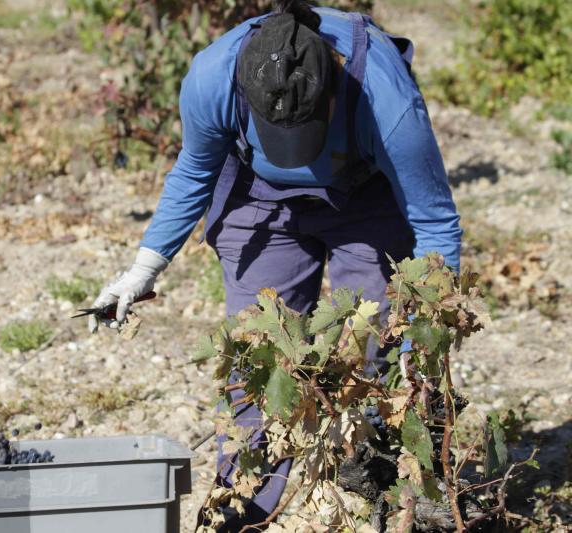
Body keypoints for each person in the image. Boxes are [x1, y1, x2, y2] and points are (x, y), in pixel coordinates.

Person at [89, 1, 462, 530]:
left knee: (373, 358)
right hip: (256, 200)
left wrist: (421, 342)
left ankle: (382, 506)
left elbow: (435, 224)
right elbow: (194, 173)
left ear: (333, 88)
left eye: (304, 132)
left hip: (366, 198)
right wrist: (142, 270)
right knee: (255, 363)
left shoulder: (386, 101)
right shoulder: (212, 79)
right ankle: (246, 514)